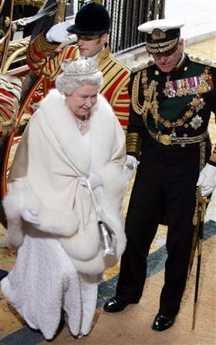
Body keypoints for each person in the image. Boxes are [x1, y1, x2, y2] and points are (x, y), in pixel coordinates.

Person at [0, 59, 134, 340]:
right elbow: (23, 166)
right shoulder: (44, 119)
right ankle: (42, 315)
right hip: (48, 210)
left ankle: (79, 320)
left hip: (89, 210)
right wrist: (26, 202)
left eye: (94, 95)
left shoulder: (104, 116)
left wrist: (102, 179)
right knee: (59, 272)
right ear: (66, 93)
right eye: (83, 96)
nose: (90, 102)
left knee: (86, 272)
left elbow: (118, 160)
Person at [103, 19, 216, 331]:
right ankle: (127, 291)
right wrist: (131, 155)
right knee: (136, 231)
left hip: (189, 164)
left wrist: (215, 166)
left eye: (167, 52)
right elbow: (137, 124)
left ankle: (169, 307)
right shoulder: (140, 76)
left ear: (180, 44)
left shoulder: (206, 75)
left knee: (180, 240)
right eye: (155, 54)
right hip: (152, 163)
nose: (161, 60)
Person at [25, 1, 130, 131]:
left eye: (87, 37)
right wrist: (47, 40)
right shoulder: (67, 53)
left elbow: (118, 131)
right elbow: (35, 65)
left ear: (104, 38)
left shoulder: (121, 77)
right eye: (79, 36)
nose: (80, 42)